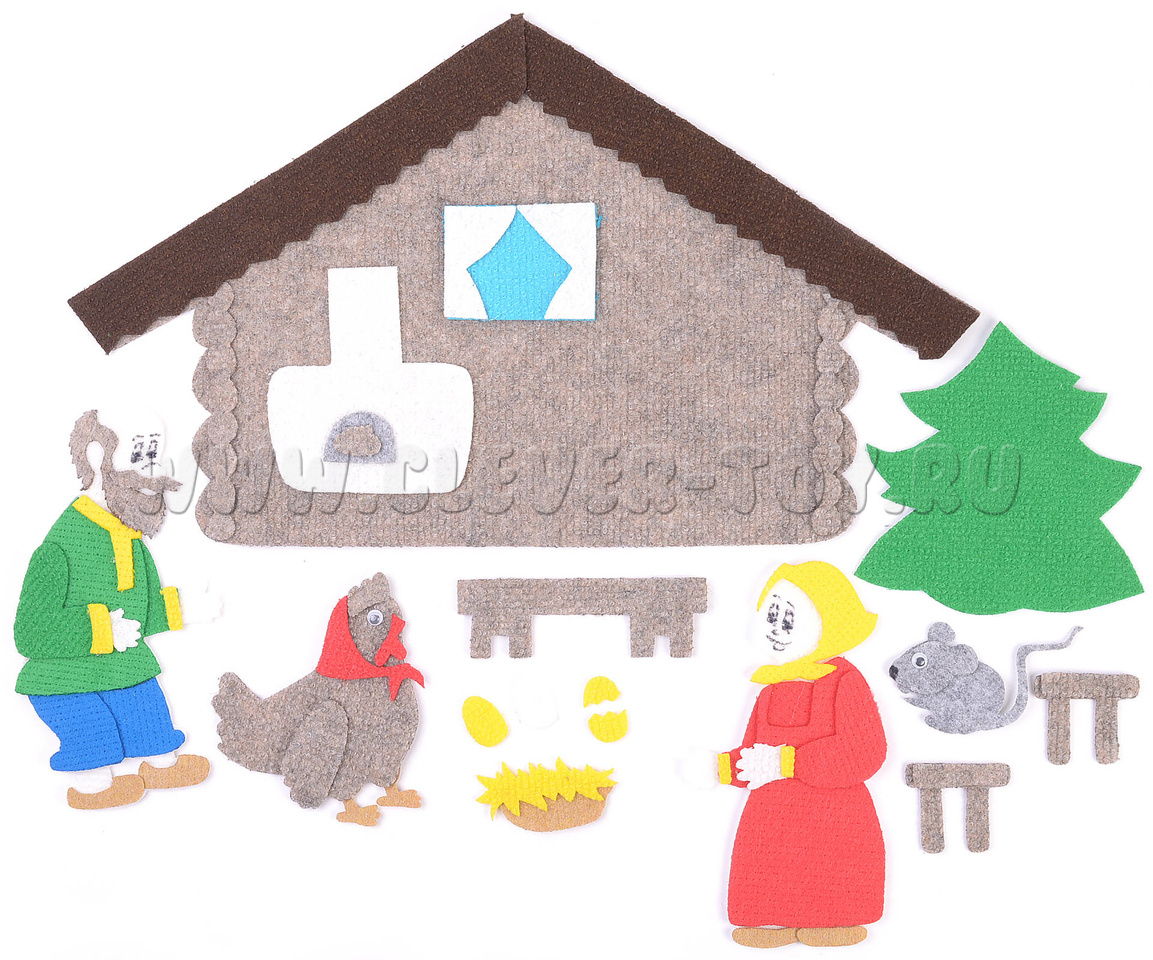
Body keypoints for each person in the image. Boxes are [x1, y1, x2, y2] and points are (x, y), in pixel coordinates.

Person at [13, 410, 210, 810]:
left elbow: (141, 612)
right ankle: (93, 785)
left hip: (121, 666)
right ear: (96, 458)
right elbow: (29, 631)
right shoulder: (58, 548)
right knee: (93, 731)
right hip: (64, 678)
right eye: (139, 459)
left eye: (153, 459)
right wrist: (100, 629)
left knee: (148, 711)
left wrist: (179, 609)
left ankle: (161, 763)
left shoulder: (129, 539)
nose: (153, 475)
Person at [720, 561, 886, 949]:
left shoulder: (846, 681)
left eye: (789, 618)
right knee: (768, 860)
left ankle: (834, 921)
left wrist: (788, 763)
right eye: (771, 615)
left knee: (830, 860)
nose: (776, 628)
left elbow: (865, 751)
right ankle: (768, 920)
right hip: (771, 809)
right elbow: (752, 755)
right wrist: (722, 767)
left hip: (834, 807)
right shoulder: (769, 689)